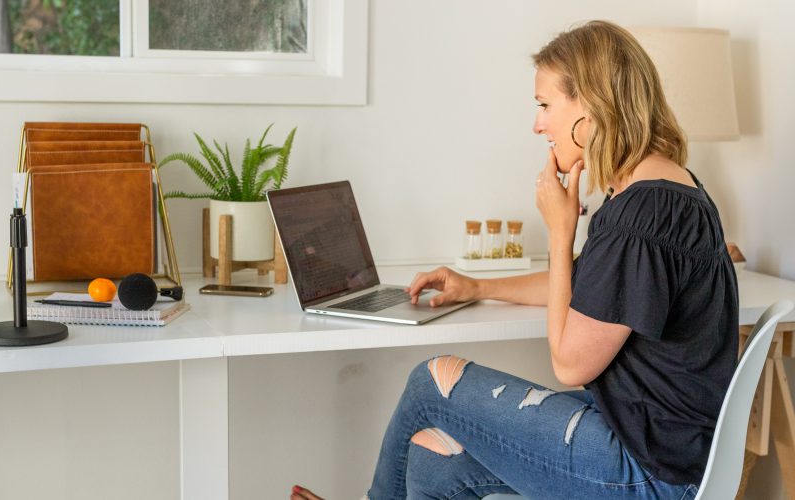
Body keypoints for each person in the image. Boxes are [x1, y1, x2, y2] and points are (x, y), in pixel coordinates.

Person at [292, 20, 738, 500]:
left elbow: (569, 363)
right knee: (432, 456)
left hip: (650, 471)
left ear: (590, 105)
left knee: (431, 383)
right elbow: (591, 290)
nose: (538, 124)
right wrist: (478, 287)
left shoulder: (641, 213)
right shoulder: (660, 188)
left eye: (545, 105)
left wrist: (560, 230)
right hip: (657, 444)